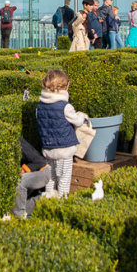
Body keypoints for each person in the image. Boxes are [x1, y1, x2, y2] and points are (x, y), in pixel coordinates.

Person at [36, 69, 88, 198]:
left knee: (50, 178)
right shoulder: (65, 106)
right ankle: (62, 202)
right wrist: (81, 115)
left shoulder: (39, 106)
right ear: (64, 88)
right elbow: (77, 122)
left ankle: (48, 200)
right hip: (64, 150)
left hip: (47, 149)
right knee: (63, 179)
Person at [12, 138, 51, 218]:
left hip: (42, 172)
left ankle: (19, 217)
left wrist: (23, 169)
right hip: (30, 175)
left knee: (20, 182)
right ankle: (44, 200)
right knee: (17, 205)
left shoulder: (18, 142)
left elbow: (40, 162)